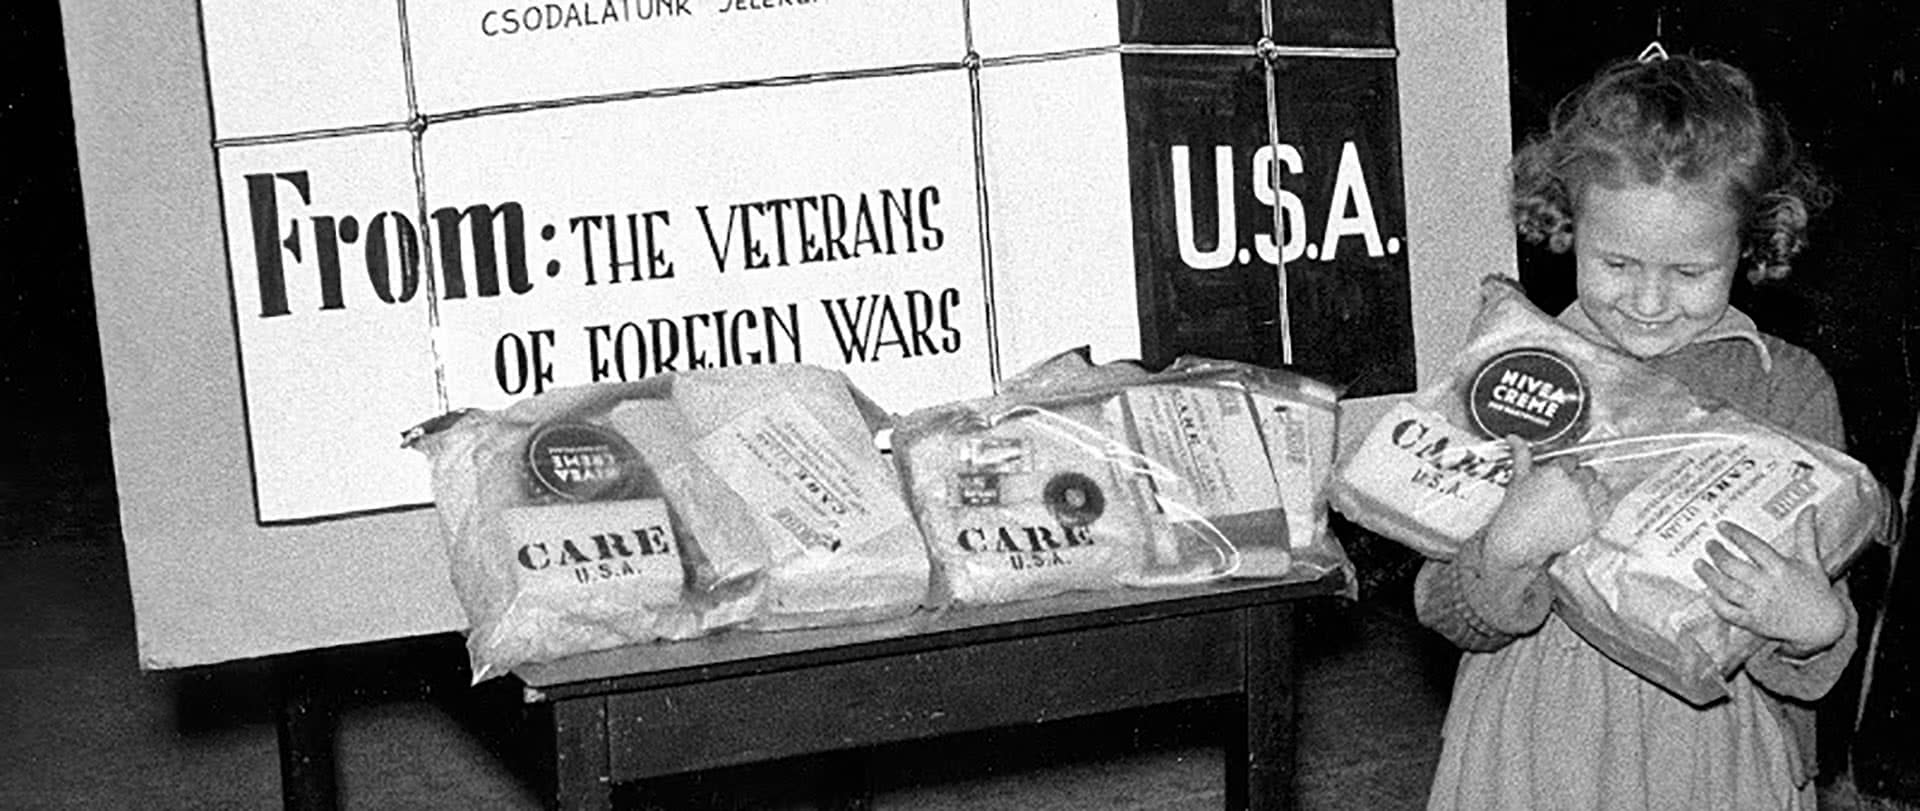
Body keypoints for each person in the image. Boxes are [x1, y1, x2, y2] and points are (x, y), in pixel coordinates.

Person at [1416, 51, 1858, 810]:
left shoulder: (1787, 388)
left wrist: (1814, 625)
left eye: (1691, 273)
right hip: (1532, 741)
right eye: (1616, 262)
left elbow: (1815, 650)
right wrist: (1509, 545)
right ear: (1565, 223)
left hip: (1710, 750)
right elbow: (1443, 605)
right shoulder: (1518, 369)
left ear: (1749, 246)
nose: (1650, 301)